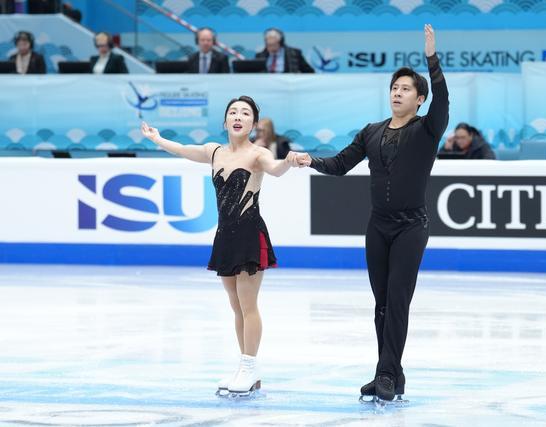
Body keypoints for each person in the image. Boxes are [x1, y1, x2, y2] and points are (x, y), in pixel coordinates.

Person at [295, 25, 448, 402]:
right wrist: (311, 160)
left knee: (397, 302)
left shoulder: (428, 130)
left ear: (420, 99)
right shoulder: (371, 132)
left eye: (406, 89)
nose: (397, 92)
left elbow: (443, 98)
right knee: (381, 305)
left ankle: (386, 373)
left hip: (411, 226)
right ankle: (391, 372)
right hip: (378, 227)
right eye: (394, 87)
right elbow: (340, 164)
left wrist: (432, 59)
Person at [140, 96, 298, 396]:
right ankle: (245, 366)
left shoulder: (258, 154)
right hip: (225, 235)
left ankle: (250, 366)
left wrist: (288, 162)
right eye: (233, 112)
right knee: (236, 306)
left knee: (248, 305)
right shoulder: (214, 151)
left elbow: (275, 169)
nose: (238, 117)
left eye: (245, 113)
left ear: (253, 123)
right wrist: (157, 139)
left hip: (250, 234)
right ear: (225, 122)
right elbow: (183, 149)